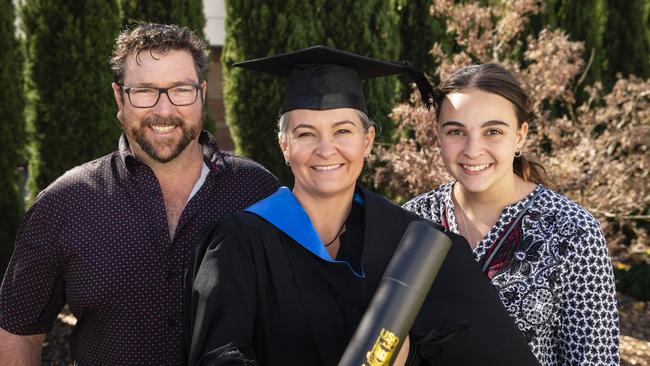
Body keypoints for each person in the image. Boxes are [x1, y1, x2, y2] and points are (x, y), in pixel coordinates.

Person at [184, 47, 540, 366]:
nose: (326, 150)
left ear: (367, 141)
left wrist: (410, 356)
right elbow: (218, 355)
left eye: (343, 131)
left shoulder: (416, 247)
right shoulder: (240, 243)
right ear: (284, 146)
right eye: (306, 133)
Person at [0, 23, 280, 365]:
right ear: (119, 97)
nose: (164, 111)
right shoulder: (64, 204)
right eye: (145, 91)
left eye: (180, 89)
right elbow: (19, 331)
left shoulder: (258, 192)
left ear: (202, 93)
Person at [403, 63, 619, 365]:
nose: (473, 149)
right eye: (456, 131)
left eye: (493, 131)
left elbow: (594, 358)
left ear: (520, 135)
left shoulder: (572, 230)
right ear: (438, 135)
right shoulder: (412, 221)